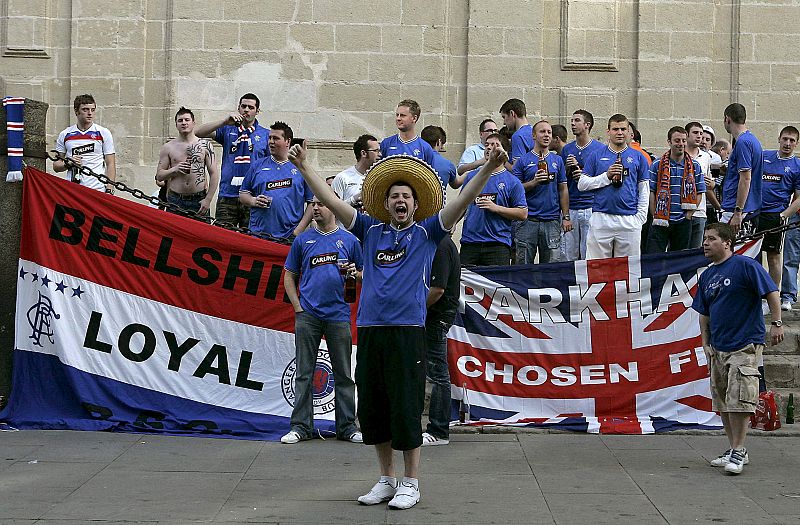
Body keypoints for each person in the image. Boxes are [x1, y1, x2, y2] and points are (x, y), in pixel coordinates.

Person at [287, 139, 509, 510]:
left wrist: (487, 167)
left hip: (407, 331)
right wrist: (304, 166)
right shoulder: (369, 230)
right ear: (386, 203)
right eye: (394, 197)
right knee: (375, 408)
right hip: (371, 330)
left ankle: (411, 482)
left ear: (416, 204)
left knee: (406, 407)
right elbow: (330, 199)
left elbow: (464, 200)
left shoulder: (428, 232)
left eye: (406, 196)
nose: (400, 201)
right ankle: (386, 479)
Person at [692, 222, 783, 475]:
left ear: (727, 243)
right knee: (723, 400)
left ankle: (739, 449)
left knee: (740, 398)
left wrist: (776, 323)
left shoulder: (745, 265)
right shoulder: (707, 275)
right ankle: (733, 447)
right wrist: (705, 343)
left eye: (712, 239)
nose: (706, 243)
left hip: (745, 343)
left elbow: (771, 292)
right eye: (705, 239)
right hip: (718, 346)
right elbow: (704, 314)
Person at [282, 196, 363, 445]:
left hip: (339, 315)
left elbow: (365, 273)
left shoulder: (350, 240)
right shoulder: (303, 240)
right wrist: (298, 307)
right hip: (308, 315)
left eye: (321, 204)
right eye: (312, 204)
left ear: (333, 208)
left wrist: (356, 273)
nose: (315, 208)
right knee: (304, 373)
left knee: (344, 374)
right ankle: (300, 427)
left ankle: (347, 427)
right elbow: (289, 275)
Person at [577, 114, 650, 259]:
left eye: (623, 129)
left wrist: (640, 218)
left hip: (629, 219)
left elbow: (644, 189)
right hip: (601, 217)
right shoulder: (596, 155)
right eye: (615, 129)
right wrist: (606, 177)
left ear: (629, 132)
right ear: (608, 132)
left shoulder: (638, 156)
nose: (620, 132)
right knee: (596, 266)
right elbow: (582, 184)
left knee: (628, 267)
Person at [195, 93, 269, 227]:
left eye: (251, 107)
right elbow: (198, 132)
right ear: (238, 108)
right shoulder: (227, 130)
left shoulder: (266, 135)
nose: (246, 110)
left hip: (252, 196)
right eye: (243, 106)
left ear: (257, 111)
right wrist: (223, 122)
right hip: (228, 195)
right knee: (222, 236)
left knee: (250, 237)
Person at [460, 133, 528, 266]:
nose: (489, 148)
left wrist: (496, 208)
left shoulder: (513, 182)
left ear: (504, 152)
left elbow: (523, 213)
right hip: (470, 243)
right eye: (487, 145)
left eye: (495, 145)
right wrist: (451, 225)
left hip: (497, 245)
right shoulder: (471, 177)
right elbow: (461, 205)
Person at [239, 122, 312, 239]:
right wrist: (253, 200)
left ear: (287, 141)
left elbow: (311, 203)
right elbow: (243, 194)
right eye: (269, 138)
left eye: (276, 138)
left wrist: (298, 231)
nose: (271, 142)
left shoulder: (300, 167)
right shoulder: (257, 165)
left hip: (289, 236)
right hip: (258, 234)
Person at [513, 120, 572, 264]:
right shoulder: (523, 161)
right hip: (527, 221)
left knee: (551, 267)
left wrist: (566, 216)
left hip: (551, 221)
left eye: (549, 132)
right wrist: (533, 183)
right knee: (523, 266)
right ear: (533, 135)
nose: (546, 135)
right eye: (542, 132)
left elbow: (563, 189)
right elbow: (514, 191)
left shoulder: (557, 161)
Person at [421, 234, 461, 447]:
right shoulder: (436, 243)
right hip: (432, 316)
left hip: (436, 316)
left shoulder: (442, 246)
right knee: (432, 372)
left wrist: (415, 309)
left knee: (437, 374)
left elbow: (437, 289)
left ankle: (438, 430)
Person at [646, 126, 705, 253]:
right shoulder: (657, 164)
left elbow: (700, 192)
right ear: (669, 142)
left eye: (684, 140)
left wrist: (689, 215)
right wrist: (655, 214)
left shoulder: (695, 166)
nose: (681, 144)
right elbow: (651, 192)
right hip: (660, 220)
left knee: (679, 259)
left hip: (683, 221)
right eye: (677, 140)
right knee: (655, 258)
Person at [759, 126, 800, 297]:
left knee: (773, 257)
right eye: (785, 139)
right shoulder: (764, 156)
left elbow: (799, 198)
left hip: (776, 215)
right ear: (779, 139)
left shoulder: (797, 166)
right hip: (755, 214)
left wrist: (783, 216)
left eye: (792, 140)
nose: (787, 143)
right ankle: (754, 295)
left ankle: (772, 296)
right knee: (752, 257)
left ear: (796, 143)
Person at [155, 107, 219, 216]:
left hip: (199, 199)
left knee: (199, 228)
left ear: (193, 123)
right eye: (180, 120)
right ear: (176, 125)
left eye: (187, 120)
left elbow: (214, 174)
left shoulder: (205, 145)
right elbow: (159, 176)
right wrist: (174, 170)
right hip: (175, 199)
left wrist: (208, 200)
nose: (184, 123)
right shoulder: (168, 147)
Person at [561, 109, 606, 261]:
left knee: (589, 253)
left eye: (577, 120)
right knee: (568, 253)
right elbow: (562, 181)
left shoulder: (599, 149)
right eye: (572, 120)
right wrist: (568, 167)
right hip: (572, 206)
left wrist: (584, 175)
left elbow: (603, 178)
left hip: (591, 206)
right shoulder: (567, 149)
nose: (572, 124)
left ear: (587, 125)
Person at [53, 94, 116, 193]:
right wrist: (68, 163)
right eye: (85, 110)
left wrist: (110, 189)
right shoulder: (65, 134)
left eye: (92, 110)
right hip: (72, 189)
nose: (90, 113)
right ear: (76, 111)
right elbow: (56, 166)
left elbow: (110, 163)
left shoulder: (103, 132)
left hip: (97, 189)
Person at [720, 103, 763, 237]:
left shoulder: (743, 142)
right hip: (748, 208)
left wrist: (738, 211)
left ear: (727, 119)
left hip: (736, 210)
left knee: (720, 246)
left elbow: (746, 178)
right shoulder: (753, 140)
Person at [330, 134, 382, 212]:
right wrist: (354, 199)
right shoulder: (342, 178)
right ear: (363, 153)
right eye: (375, 151)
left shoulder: (381, 178)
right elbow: (333, 209)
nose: (380, 154)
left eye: (379, 151)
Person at [380, 99, 436, 166]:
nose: (398, 118)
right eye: (397, 115)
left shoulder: (425, 148)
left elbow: (429, 172)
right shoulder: (386, 144)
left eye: (402, 115)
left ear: (414, 118)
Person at [685, 122, 714, 248]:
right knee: (679, 252)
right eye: (695, 133)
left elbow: (709, 183)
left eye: (701, 133)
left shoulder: (706, 157)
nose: (699, 136)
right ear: (687, 135)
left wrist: (711, 184)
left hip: (700, 211)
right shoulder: (680, 154)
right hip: (681, 211)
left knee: (696, 251)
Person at [421, 125, 462, 189]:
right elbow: (455, 184)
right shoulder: (448, 164)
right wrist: (467, 174)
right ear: (439, 142)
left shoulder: (413, 159)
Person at [499, 98, 533, 170]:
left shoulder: (518, 136)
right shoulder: (534, 131)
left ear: (512, 113)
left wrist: (502, 160)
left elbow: (517, 170)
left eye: (504, 117)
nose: (504, 123)